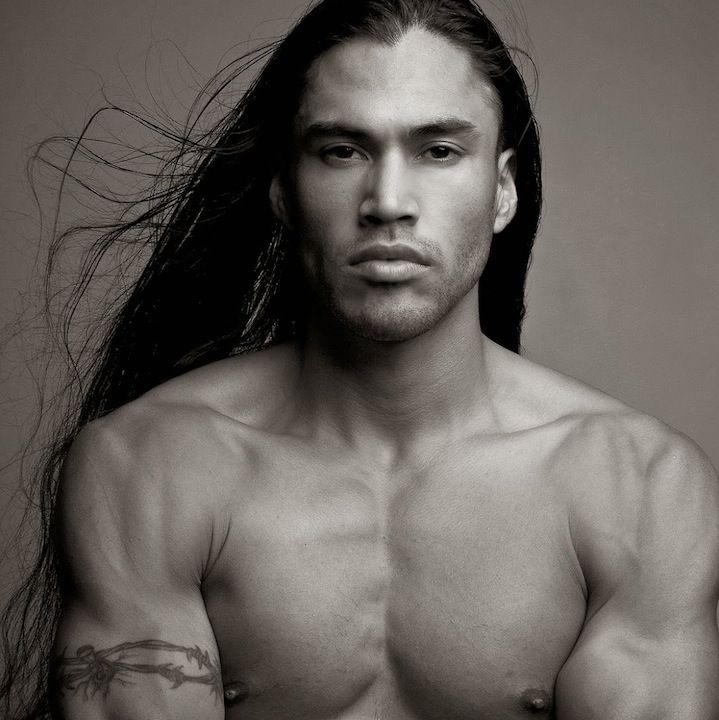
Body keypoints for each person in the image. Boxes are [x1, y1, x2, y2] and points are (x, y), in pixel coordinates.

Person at [2, 0, 718, 718]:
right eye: (342, 151)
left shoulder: (638, 490)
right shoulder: (150, 469)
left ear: (502, 190)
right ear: (284, 188)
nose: (388, 202)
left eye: (439, 150)